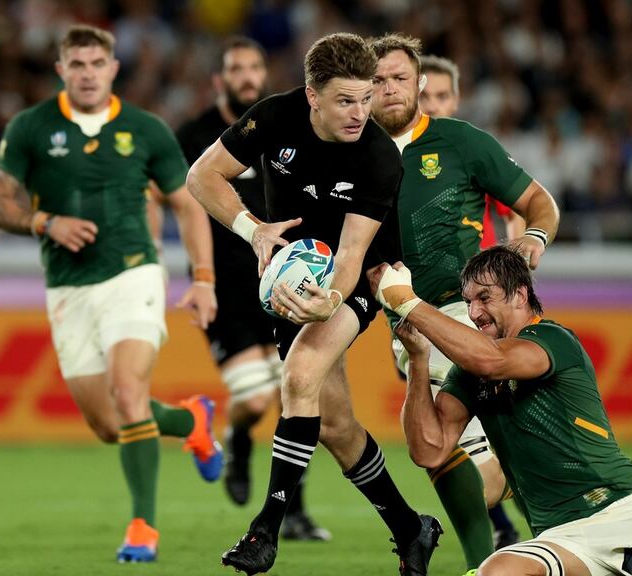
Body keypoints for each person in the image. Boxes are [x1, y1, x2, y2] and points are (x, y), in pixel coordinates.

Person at [186, 32, 441, 575]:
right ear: (312, 96)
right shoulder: (274, 117)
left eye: (366, 98)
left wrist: (329, 302)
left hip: (361, 277)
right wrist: (253, 229)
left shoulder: (379, 156)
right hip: (292, 276)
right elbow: (201, 176)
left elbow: (351, 255)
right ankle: (410, 529)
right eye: (345, 100)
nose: (360, 113)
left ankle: (265, 531)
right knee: (335, 426)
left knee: (300, 374)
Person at [372, 246, 632, 576]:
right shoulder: (469, 373)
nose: (474, 312)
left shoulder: (551, 339)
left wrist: (408, 302)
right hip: (559, 536)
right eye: (468, 302)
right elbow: (429, 450)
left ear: (520, 295)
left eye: (484, 298)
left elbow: (492, 361)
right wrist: (418, 361)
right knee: (496, 572)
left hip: (624, 509)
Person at [0, 24, 222, 563]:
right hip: (68, 288)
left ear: (113, 69)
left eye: (97, 64)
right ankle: (192, 421)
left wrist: (203, 278)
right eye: (77, 64)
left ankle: (142, 528)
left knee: (128, 392)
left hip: (133, 274)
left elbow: (186, 204)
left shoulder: (146, 129)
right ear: (61, 70)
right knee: (111, 425)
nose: (88, 74)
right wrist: (44, 221)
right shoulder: (30, 127)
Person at [368, 35, 559, 572]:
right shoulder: (351, 154)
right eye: (378, 80)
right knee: (445, 455)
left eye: (399, 78)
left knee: (441, 447)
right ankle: (514, 534)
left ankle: (490, 552)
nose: (389, 88)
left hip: (467, 311)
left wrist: (534, 237)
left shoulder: (460, 141)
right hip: (404, 318)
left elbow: (538, 202)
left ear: (420, 84)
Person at [175, 35, 329, 541]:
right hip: (227, 287)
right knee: (259, 399)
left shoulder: (284, 124)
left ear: (264, 74)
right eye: (236, 68)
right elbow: (183, 205)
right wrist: (201, 278)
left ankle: (295, 510)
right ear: (219, 79)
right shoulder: (194, 135)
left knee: (298, 396)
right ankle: (238, 438)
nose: (246, 76)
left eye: (253, 67)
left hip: (284, 280)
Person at [418, 55, 525, 250]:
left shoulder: (477, 149)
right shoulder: (395, 153)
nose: (432, 106)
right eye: (423, 96)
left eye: (442, 96)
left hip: (478, 267)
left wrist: (515, 260)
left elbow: (515, 211)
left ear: (456, 100)